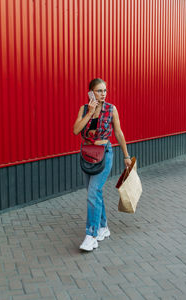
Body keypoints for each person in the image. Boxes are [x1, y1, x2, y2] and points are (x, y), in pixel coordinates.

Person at [73, 78, 131, 251]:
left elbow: (119, 133)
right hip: (87, 155)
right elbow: (76, 130)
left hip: (105, 154)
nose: (103, 94)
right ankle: (103, 227)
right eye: (99, 91)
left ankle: (91, 235)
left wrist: (126, 156)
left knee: (93, 192)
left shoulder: (111, 109)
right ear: (90, 92)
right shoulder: (84, 109)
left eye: (105, 90)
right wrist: (90, 113)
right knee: (94, 193)